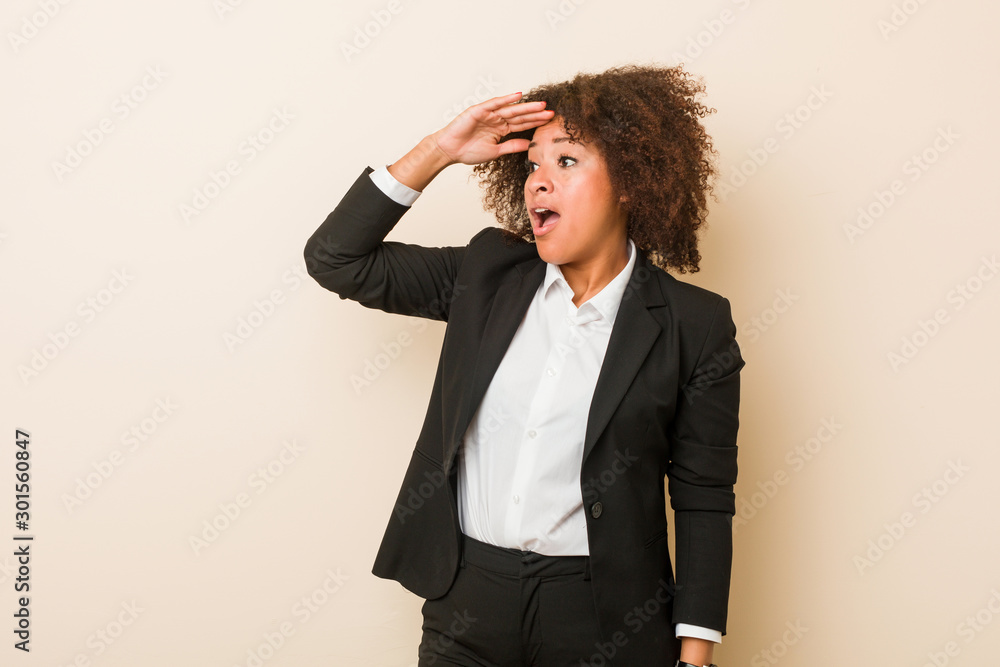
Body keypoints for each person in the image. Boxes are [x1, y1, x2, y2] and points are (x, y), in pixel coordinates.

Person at [304, 63, 744, 666]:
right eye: (533, 164)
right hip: (467, 604)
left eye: (566, 160)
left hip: (605, 618)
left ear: (630, 182)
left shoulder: (695, 323)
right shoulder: (488, 271)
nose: (538, 181)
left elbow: (703, 497)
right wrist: (440, 150)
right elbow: (337, 260)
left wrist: (694, 658)